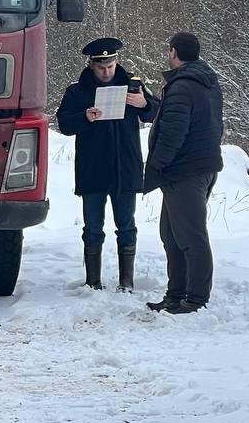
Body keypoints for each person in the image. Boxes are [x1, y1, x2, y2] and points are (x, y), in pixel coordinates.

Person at [56, 38, 159, 291]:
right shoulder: (77, 91)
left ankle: (127, 282)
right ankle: (93, 282)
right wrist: (84, 117)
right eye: (101, 67)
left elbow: (155, 111)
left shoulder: (132, 86)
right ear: (91, 65)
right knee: (92, 227)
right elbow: (64, 124)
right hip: (93, 169)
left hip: (125, 167)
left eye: (111, 66)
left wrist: (144, 104)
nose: (106, 71)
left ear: (117, 62)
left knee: (127, 226)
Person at [143, 32, 224, 315]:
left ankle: (196, 298)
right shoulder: (207, 83)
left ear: (173, 51)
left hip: (185, 171)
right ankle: (175, 294)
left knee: (191, 237)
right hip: (197, 167)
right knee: (171, 234)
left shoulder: (183, 86)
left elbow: (173, 132)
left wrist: (158, 163)